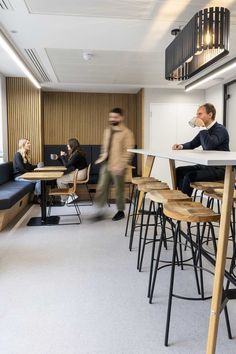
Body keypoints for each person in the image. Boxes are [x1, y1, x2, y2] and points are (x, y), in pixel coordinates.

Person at [172, 103, 229, 197]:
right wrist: (181, 146)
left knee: (189, 176)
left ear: (210, 115)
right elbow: (192, 144)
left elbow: (208, 146)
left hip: (220, 169)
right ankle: (180, 199)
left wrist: (202, 127)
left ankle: (184, 203)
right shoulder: (205, 130)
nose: (197, 117)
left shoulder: (220, 130)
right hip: (206, 166)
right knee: (179, 171)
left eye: (200, 114)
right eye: (197, 114)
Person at [93, 107, 134, 221]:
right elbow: (104, 147)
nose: (112, 119)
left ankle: (120, 211)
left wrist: (121, 165)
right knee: (101, 188)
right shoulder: (107, 131)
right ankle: (100, 211)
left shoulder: (127, 133)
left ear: (121, 117)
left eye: (115, 117)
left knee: (119, 190)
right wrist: (102, 157)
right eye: (111, 116)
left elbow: (128, 151)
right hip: (106, 164)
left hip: (118, 165)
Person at [56, 138, 88, 203]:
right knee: (61, 178)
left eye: (68, 144)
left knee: (59, 180)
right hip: (79, 172)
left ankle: (66, 198)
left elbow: (66, 166)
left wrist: (62, 156)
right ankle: (71, 195)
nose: (67, 145)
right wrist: (59, 158)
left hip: (80, 174)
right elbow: (67, 164)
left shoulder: (77, 154)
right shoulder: (76, 153)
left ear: (72, 145)